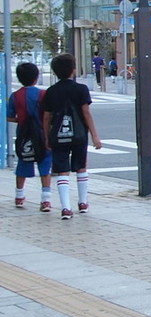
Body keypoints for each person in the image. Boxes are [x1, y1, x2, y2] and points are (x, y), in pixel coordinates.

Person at [40, 53, 102, 220]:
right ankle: (82, 203)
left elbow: (47, 117)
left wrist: (46, 137)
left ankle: (65, 207)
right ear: (73, 71)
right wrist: (95, 136)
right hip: (79, 135)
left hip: (58, 136)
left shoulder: (51, 92)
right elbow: (86, 113)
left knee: (62, 170)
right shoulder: (80, 89)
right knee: (81, 167)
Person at [7, 62, 54, 212]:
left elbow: (9, 117)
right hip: (42, 133)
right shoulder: (43, 94)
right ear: (36, 77)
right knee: (45, 165)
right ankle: (45, 200)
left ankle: (19, 196)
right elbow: (49, 115)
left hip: (24, 134)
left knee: (23, 162)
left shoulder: (15, 96)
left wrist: (21, 120)